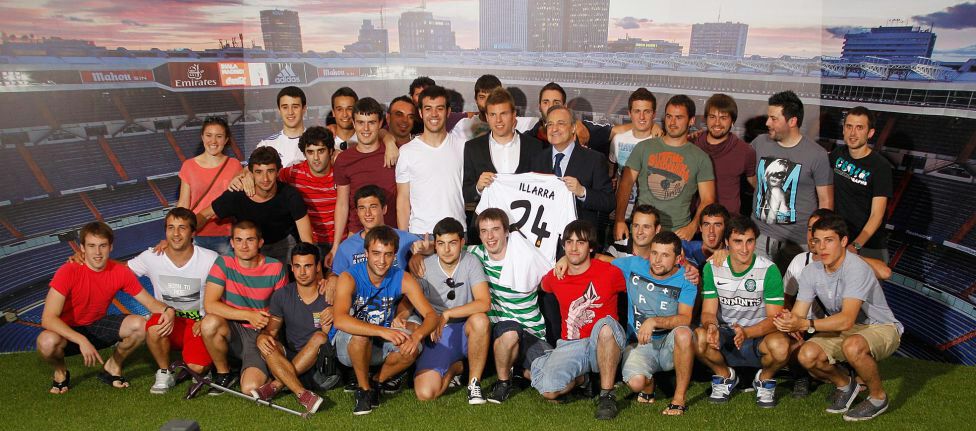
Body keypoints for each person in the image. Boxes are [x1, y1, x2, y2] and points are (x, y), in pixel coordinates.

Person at [774, 214, 902, 421]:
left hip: (880, 327)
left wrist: (805, 323)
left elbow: (846, 320)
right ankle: (845, 385)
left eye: (829, 240)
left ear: (843, 241)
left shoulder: (856, 267)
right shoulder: (810, 271)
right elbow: (799, 314)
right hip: (846, 329)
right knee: (806, 355)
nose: (822, 247)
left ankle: (878, 398)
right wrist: (788, 320)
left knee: (853, 346)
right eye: (817, 241)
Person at [37, 222, 173, 394]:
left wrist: (169, 310)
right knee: (46, 342)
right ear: (82, 248)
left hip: (96, 325)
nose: (97, 252)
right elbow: (48, 318)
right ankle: (60, 372)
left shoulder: (120, 272)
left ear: (111, 247)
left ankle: (112, 366)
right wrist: (81, 340)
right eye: (91, 246)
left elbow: (150, 303)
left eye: (102, 245)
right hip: (67, 331)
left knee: (140, 325)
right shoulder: (68, 271)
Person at [331, 226, 440, 415]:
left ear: (394, 255)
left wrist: (417, 337)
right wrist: (382, 330)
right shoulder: (349, 277)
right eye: (376, 253)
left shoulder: (402, 278)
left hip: (383, 341)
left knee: (413, 347)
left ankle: (377, 382)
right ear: (366, 253)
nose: (381, 261)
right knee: (361, 336)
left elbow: (431, 316)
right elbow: (340, 320)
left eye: (388, 255)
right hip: (349, 345)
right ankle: (364, 391)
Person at [530, 220, 627, 420]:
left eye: (580, 242)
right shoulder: (557, 276)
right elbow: (542, 286)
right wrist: (562, 261)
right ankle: (583, 380)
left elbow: (641, 269)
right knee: (549, 390)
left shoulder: (610, 272)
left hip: (603, 341)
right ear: (564, 246)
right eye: (569, 242)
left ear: (591, 247)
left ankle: (607, 396)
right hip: (571, 344)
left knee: (605, 327)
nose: (574, 248)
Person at [696, 215, 791, 408]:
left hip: (759, 335)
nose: (745, 248)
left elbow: (774, 318)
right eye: (738, 242)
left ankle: (764, 379)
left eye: (750, 241)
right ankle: (725, 376)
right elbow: (708, 312)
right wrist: (711, 326)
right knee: (698, 337)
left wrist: (747, 332)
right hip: (726, 332)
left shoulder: (769, 270)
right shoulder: (712, 267)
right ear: (726, 242)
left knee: (781, 346)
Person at [128, 208, 218, 394]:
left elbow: (223, 295)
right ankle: (164, 371)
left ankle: (198, 362)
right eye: (171, 228)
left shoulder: (210, 259)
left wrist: (207, 319)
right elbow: (121, 271)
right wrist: (89, 260)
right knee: (154, 326)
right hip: (169, 322)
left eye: (182, 228)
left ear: (193, 232)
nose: (176, 234)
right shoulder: (152, 256)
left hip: (198, 325)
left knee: (197, 368)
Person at [200, 220, 289, 395]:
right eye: (239, 240)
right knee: (209, 323)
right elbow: (209, 304)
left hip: (259, 333)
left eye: (250, 240)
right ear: (232, 243)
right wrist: (248, 315)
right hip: (232, 328)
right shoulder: (223, 263)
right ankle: (224, 374)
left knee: (250, 388)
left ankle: (265, 370)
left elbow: (280, 312)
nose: (244, 246)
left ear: (260, 242)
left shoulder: (275, 268)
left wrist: (267, 334)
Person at [409, 217, 491, 403]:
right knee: (425, 393)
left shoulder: (471, 261)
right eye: (441, 244)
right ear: (435, 245)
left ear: (462, 242)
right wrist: (401, 315)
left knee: (480, 320)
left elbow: (484, 303)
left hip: (467, 328)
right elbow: (411, 298)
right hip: (439, 332)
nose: (446, 250)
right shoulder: (424, 265)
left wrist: (447, 313)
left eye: (452, 243)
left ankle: (474, 384)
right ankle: (456, 367)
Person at [614, 231, 697, 416]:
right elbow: (599, 260)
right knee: (636, 383)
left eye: (665, 255)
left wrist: (654, 321)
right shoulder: (634, 265)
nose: (657, 260)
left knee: (684, 333)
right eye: (654, 253)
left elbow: (685, 318)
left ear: (678, 259)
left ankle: (678, 400)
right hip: (640, 344)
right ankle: (648, 384)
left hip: (669, 345)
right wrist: (565, 260)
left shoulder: (687, 278)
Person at [616, 95, 716, 241]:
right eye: (669, 116)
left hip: (678, 235)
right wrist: (619, 220)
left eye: (679, 117)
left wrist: (693, 226)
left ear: (691, 120)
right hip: (642, 231)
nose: (672, 122)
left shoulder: (701, 158)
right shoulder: (644, 148)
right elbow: (625, 185)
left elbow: (708, 199)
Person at [752, 90, 833, 269]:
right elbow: (752, 177)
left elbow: (826, 202)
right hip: (759, 238)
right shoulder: (760, 142)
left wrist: (819, 241)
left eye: (774, 119)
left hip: (797, 244)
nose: (767, 123)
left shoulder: (816, 154)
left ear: (792, 121)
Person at [252, 242, 333, 415]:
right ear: (291, 268)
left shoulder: (329, 293)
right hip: (288, 358)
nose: (302, 272)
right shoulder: (282, 295)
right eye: (297, 266)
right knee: (267, 343)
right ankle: (302, 394)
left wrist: (336, 309)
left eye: (308, 266)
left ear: (318, 267)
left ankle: (277, 385)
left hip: (320, 365)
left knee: (319, 337)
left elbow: (327, 336)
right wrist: (262, 337)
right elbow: (271, 331)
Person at [198, 147, 312, 264]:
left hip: (284, 246)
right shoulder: (237, 194)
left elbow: (306, 239)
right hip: (249, 249)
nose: (265, 178)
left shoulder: (290, 195)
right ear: (251, 173)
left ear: (278, 172)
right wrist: (187, 234)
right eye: (259, 172)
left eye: (270, 171)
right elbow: (205, 215)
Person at [529, 105, 614, 234]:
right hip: (544, 235)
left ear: (573, 127)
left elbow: (609, 202)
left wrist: (582, 192)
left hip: (579, 238)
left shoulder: (594, 159)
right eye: (550, 124)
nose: (554, 129)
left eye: (560, 123)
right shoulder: (537, 159)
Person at [332, 97, 401, 250]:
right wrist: (336, 245)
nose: (366, 129)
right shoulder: (343, 160)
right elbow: (342, 204)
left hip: (391, 235)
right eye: (361, 122)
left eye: (371, 122)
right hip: (358, 235)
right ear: (353, 123)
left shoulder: (395, 153)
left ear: (380, 123)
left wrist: (403, 234)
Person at [396, 85, 466, 235]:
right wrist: (404, 238)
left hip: (457, 232)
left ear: (448, 112)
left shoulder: (463, 146)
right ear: (420, 113)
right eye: (428, 109)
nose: (434, 114)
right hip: (420, 234)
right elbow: (403, 200)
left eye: (439, 108)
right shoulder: (407, 152)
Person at [462, 87, 548, 207]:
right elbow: (466, 194)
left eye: (503, 114)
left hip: (525, 217)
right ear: (487, 117)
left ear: (513, 115)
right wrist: (478, 187)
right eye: (493, 114)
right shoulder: (473, 148)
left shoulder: (534, 146)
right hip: (486, 218)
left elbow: (544, 188)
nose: (498, 120)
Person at [830, 106, 892, 262]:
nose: (853, 133)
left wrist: (856, 245)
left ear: (870, 133)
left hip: (867, 246)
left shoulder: (881, 167)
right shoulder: (837, 154)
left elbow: (877, 215)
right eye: (849, 126)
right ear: (843, 129)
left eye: (859, 128)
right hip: (839, 241)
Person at [177, 116, 244, 255]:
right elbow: (183, 204)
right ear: (202, 137)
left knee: (225, 270)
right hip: (196, 234)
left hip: (226, 235)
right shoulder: (188, 166)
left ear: (226, 140)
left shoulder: (234, 165)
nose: (213, 141)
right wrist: (177, 231)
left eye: (219, 136)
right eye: (209, 135)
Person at [330, 185, 420, 284]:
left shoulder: (405, 239)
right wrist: (333, 279)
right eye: (362, 208)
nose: (367, 213)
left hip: (399, 292)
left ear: (384, 209)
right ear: (357, 212)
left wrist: (420, 255)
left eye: (373, 207)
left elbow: (429, 247)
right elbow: (336, 274)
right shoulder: (346, 247)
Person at [278, 126, 337, 264]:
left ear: (330, 151)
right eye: (310, 152)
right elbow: (265, 176)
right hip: (308, 243)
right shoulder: (294, 173)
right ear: (304, 154)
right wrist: (245, 174)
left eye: (321, 151)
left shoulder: (341, 173)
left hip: (340, 242)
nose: (316, 158)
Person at [692, 94, 757, 216]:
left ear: (732, 121)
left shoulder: (745, 151)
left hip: (730, 219)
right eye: (712, 117)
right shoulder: (693, 144)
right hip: (698, 218)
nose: (717, 123)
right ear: (706, 119)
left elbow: (755, 183)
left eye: (723, 118)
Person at [609, 88, 658, 225]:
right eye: (637, 111)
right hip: (619, 214)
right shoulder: (618, 139)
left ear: (654, 114)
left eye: (647, 111)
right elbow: (611, 171)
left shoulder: (659, 142)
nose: (642, 117)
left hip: (648, 217)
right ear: (629, 113)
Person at [255, 86, 307, 168]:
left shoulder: (319, 143)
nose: (290, 112)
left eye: (295, 107)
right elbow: (247, 171)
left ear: (304, 109)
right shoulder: (266, 145)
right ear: (279, 110)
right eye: (285, 107)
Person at [681, 203, 731, 269]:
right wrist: (683, 263)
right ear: (700, 228)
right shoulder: (684, 248)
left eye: (717, 225)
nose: (711, 230)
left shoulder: (732, 253)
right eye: (706, 224)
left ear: (725, 228)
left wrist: (731, 257)